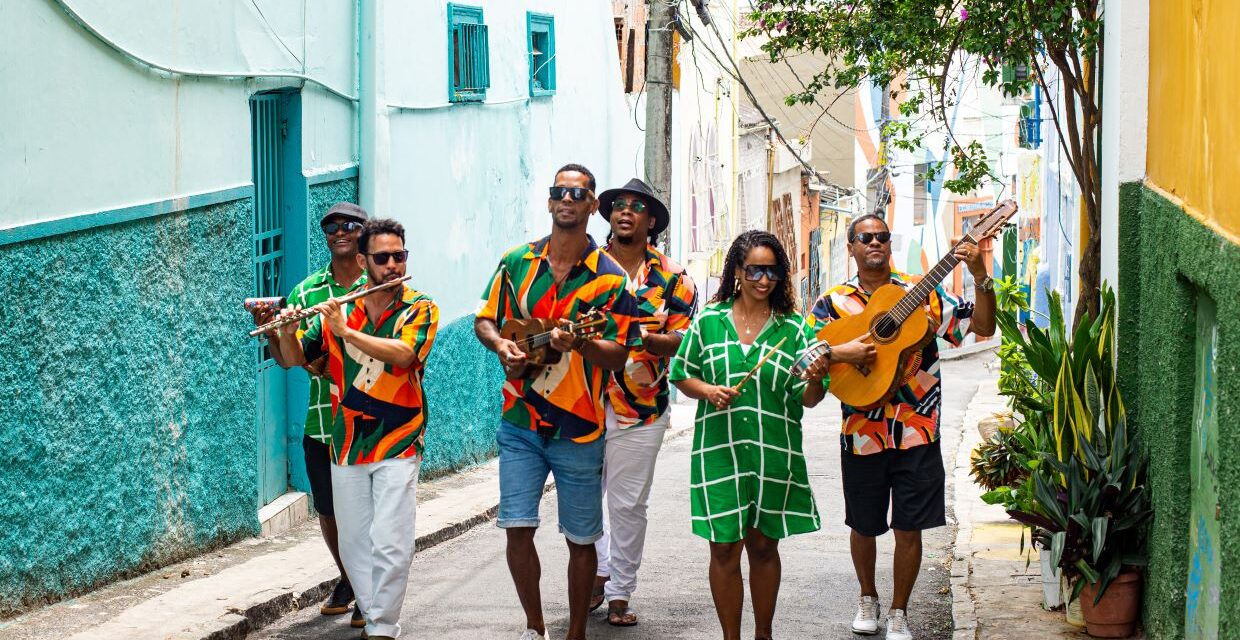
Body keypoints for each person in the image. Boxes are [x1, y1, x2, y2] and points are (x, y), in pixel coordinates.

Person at [668, 230, 869, 640]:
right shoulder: (708, 321)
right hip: (718, 453)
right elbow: (682, 373)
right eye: (754, 270)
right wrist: (707, 391)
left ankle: (763, 634)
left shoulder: (794, 330)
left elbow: (809, 398)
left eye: (772, 270)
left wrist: (818, 377)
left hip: (773, 451)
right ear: (737, 272)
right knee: (723, 547)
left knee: (762, 546)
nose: (764, 279)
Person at [474, 164, 643, 640]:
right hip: (520, 419)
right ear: (550, 202)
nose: (567, 199)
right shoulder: (517, 262)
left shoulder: (610, 281)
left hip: (580, 425)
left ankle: (575, 634)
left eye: (579, 193)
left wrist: (581, 345)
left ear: (593, 207)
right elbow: (486, 319)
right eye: (559, 192)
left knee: (582, 537)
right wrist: (502, 345)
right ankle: (535, 627)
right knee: (517, 526)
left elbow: (617, 356)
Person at [809, 214, 995, 640]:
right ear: (851, 248)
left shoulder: (921, 292)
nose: (875, 242)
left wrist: (980, 275)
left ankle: (899, 611)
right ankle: (868, 597)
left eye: (882, 236)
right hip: (861, 430)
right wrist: (845, 353)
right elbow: (813, 356)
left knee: (909, 525)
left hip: (917, 429)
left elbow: (982, 327)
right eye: (865, 237)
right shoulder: (832, 303)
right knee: (863, 523)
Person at [267, 218, 439, 640]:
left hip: (399, 439)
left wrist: (348, 333)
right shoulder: (339, 312)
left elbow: (404, 355)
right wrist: (284, 330)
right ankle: (376, 613)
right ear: (364, 262)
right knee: (354, 543)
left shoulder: (420, 307)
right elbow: (293, 358)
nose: (394, 265)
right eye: (383, 258)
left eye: (400, 256)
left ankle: (382, 626)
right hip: (345, 442)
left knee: (393, 542)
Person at [247, 201, 367, 627]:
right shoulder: (307, 290)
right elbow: (289, 360)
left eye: (349, 225)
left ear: (363, 232)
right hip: (322, 417)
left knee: (362, 511)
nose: (339, 231)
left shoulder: (377, 285)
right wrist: (278, 326)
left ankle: (368, 590)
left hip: (368, 419)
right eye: (331, 226)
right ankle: (350, 577)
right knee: (329, 510)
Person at [588, 178, 696, 626]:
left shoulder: (674, 278)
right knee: (585, 498)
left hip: (642, 406)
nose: (625, 212)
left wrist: (644, 337)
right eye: (619, 206)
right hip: (582, 401)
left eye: (637, 207)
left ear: (651, 221)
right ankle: (598, 569)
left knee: (628, 503)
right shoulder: (585, 268)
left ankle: (619, 592)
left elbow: (683, 340)